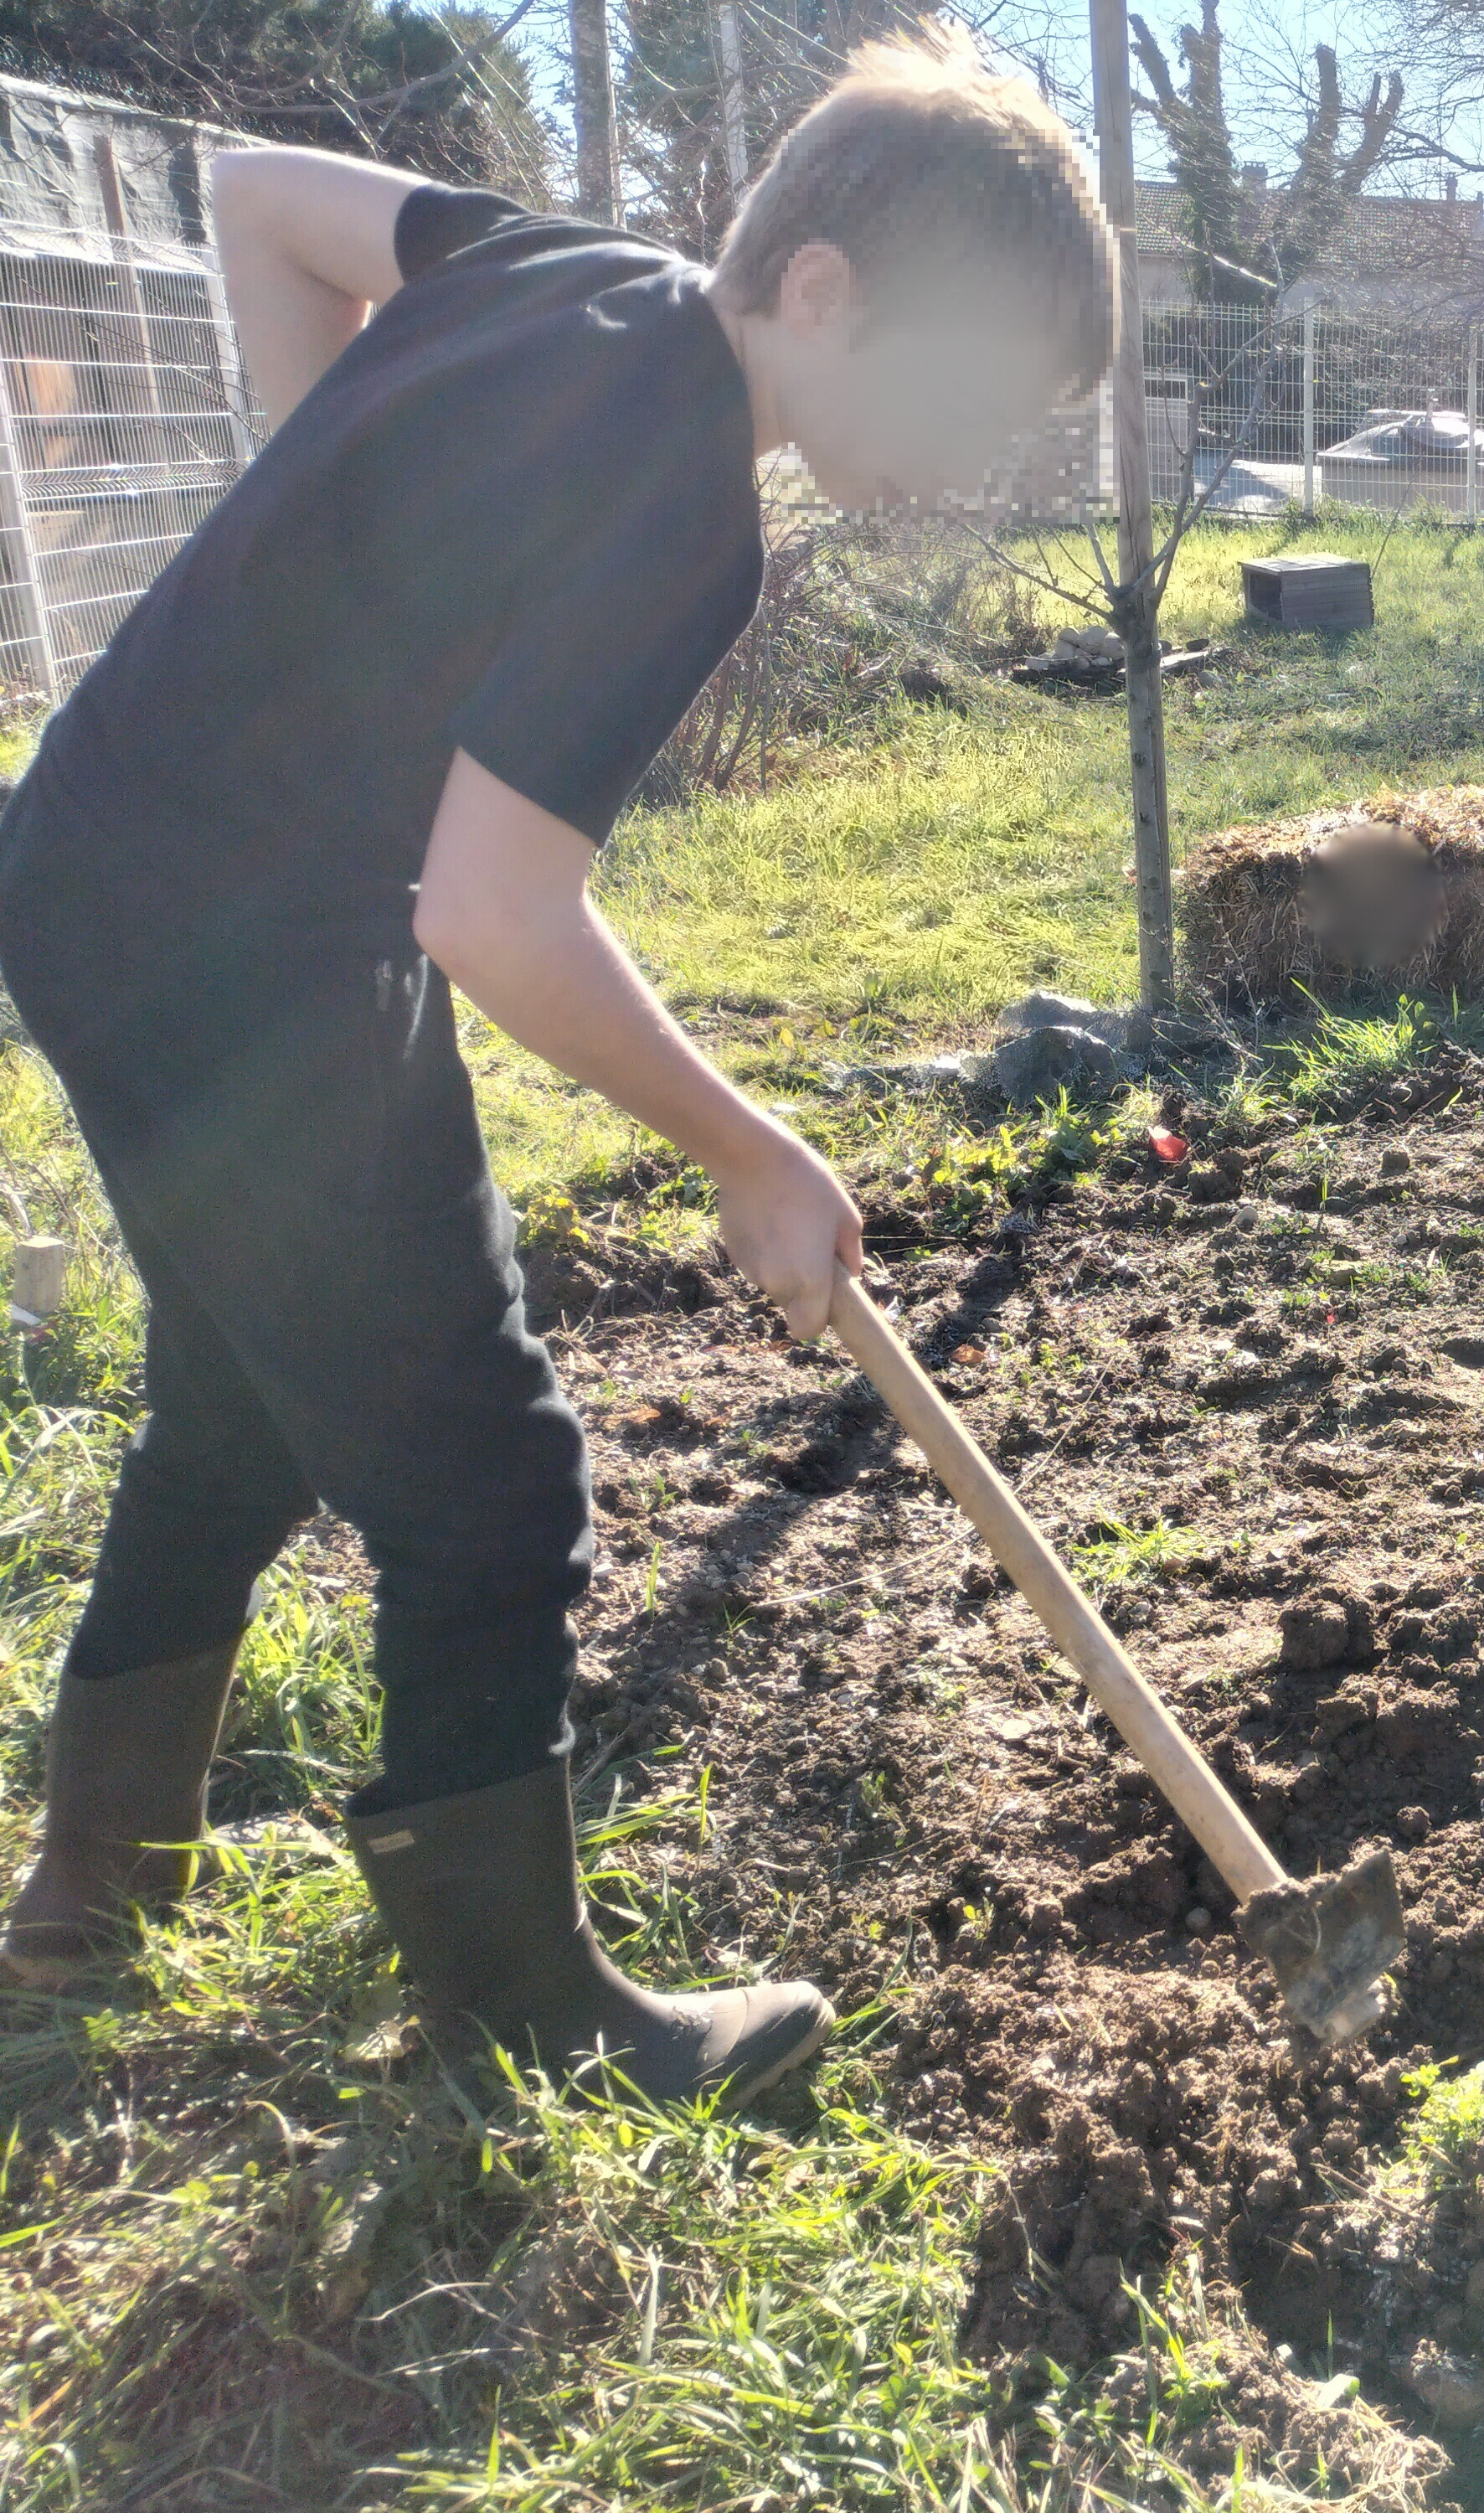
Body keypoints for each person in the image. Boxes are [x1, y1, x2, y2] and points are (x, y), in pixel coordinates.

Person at [0, 33, 1115, 2103]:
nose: (961, 460)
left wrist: (331, 502)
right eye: (961, 395)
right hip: (251, 951)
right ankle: (524, 2022)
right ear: (822, 295)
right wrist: (751, 1149)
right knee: (490, 1478)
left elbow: (257, 198)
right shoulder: (680, 505)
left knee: (242, 1401)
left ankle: (85, 1898)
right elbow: (496, 918)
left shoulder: (546, 266)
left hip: (86, 873)